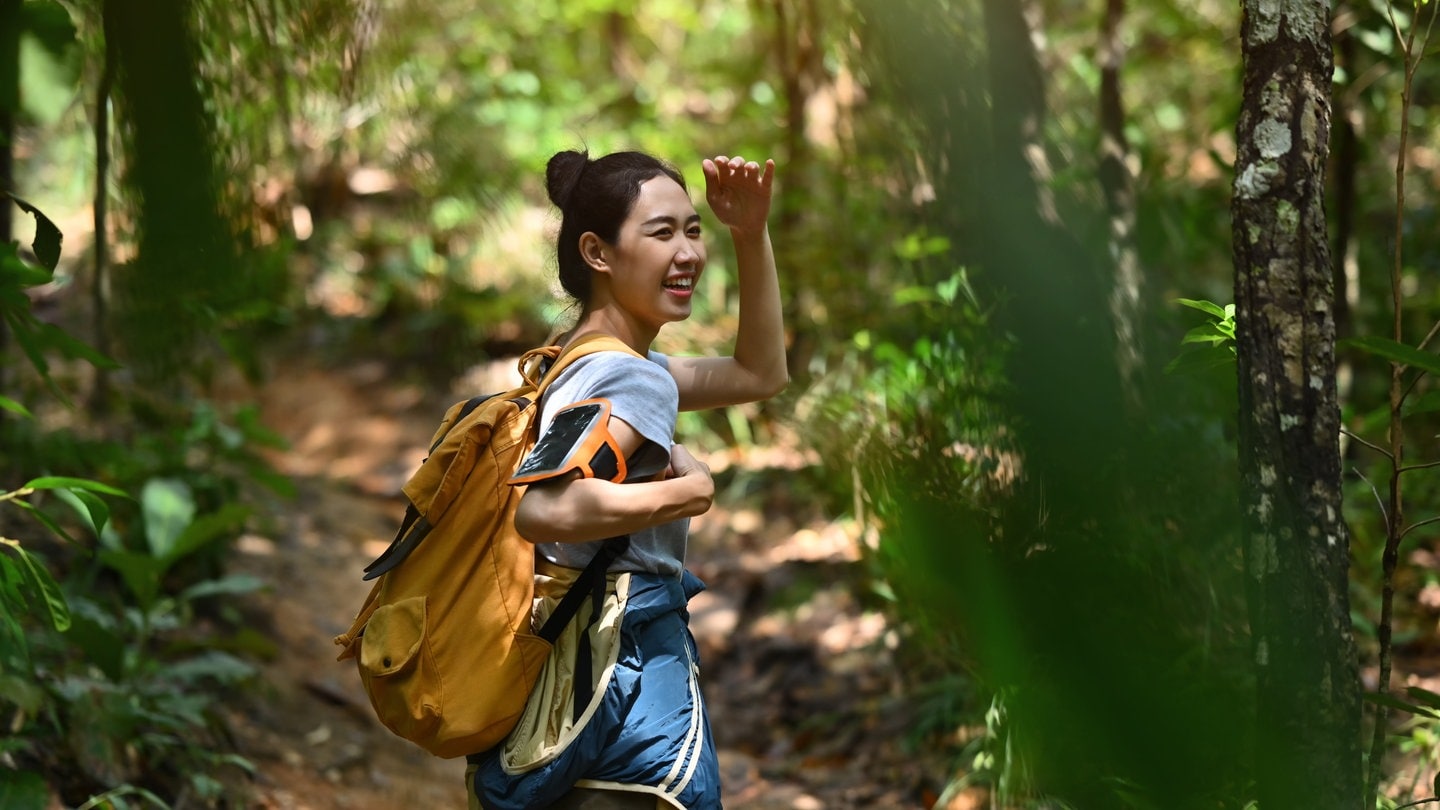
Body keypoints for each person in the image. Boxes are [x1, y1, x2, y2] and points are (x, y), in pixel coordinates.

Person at [466, 148, 787, 810]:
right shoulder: (630, 377)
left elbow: (760, 373)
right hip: (622, 676)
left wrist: (750, 235)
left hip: (571, 672)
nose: (688, 253)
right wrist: (688, 493)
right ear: (598, 252)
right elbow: (545, 508)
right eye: (662, 232)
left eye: (693, 231)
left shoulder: (592, 362)